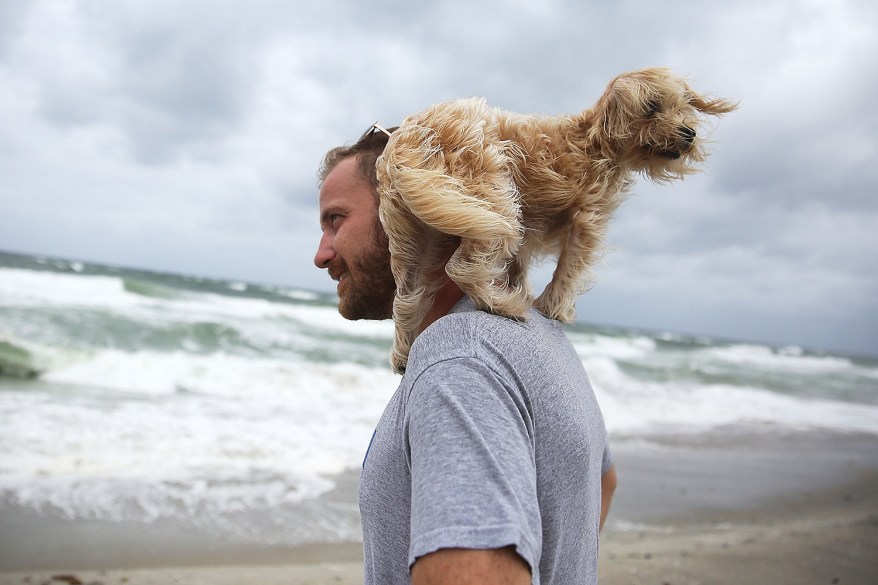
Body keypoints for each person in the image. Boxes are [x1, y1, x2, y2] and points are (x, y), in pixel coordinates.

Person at [314, 124, 617, 585]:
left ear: (410, 207)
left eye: (336, 219)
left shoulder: (459, 360)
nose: (321, 254)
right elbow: (604, 483)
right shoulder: (537, 333)